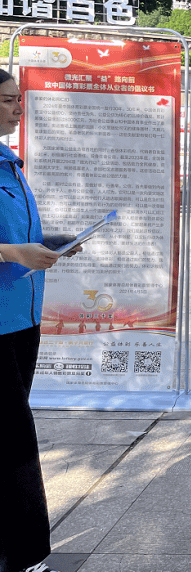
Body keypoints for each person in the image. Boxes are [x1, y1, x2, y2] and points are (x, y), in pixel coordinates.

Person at [0, 69, 81, 572]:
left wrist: (48, 245)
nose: (17, 107)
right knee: (13, 437)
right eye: (8, 100)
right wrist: (15, 252)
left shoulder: (10, 164)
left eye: (18, 99)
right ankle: (26, 555)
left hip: (22, 317)